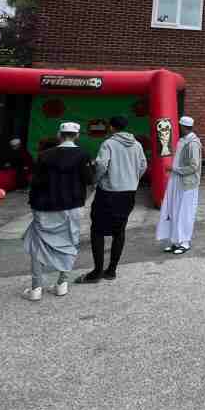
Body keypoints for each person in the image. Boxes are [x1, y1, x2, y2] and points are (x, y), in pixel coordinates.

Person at [23, 122, 94, 301]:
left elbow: (36, 182)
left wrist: (32, 204)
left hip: (44, 206)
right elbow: (88, 179)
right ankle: (62, 284)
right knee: (70, 242)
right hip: (73, 205)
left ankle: (36, 288)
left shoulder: (44, 155)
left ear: (59, 135)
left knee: (38, 246)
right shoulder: (83, 154)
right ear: (77, 135)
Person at [76, 116, 147, 284]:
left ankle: (96, 272)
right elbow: (143, 165)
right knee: (119, 231)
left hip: (109, 192)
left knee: (97, 231)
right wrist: (133, 179)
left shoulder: (109, 144)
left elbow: (101, 165)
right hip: (128, 193)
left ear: (112, 128)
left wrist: (96, 180)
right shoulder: (137, 145)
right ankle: (111, 270)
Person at [156, 116, 202, 255]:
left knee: (185, 213)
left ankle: (185, 242)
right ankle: (176, 241)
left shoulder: (193, 143)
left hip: (188, 184)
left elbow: (194, 166)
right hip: (177, 181)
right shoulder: (183, 140)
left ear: (183, 126)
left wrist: (174, 170)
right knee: (174, 210)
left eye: (179, 125)